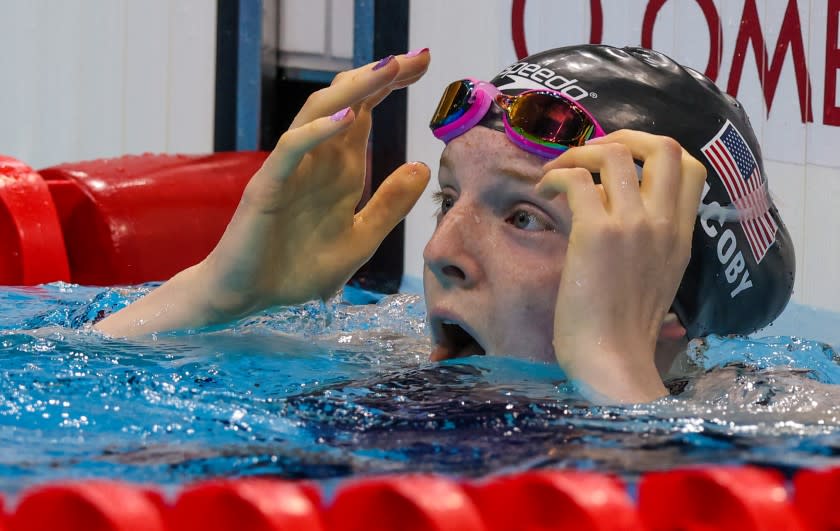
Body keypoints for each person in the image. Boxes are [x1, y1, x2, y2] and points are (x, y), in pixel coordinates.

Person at [93, 45, 795, 405]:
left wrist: (615, 380)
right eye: (448, 198)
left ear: (662, 289)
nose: (440, 253)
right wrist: (216, 296)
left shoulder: (774, 422)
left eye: (525, 217)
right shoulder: (374, 363)